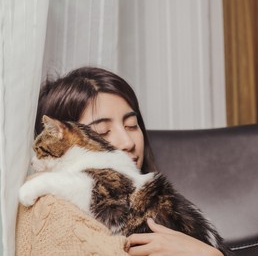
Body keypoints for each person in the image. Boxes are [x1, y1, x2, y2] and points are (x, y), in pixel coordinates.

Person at [16, 66, 224, 256]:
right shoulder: (51, 213)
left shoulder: (163, 207)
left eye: (132, 125)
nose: (127, 142)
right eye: (102, 131)